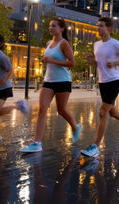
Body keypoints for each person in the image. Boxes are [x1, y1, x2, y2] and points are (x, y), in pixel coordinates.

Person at [22, 19, 80, 152]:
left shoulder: (64, 44)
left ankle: (75, 127)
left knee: (62, 110)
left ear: (62, 29)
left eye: (54, 26)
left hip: (63, 81)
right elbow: (49, 60)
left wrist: (52, 60)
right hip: (48, 81)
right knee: (42, 109)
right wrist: (45, 61)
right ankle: (37, 143)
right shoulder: (49, 43)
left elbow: (72, 63)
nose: (51, 28)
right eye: (50, 26)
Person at [81, 17, 119, 157]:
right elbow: (99, 64)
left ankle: (95, 147)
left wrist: (115, 64)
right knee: (111, 112)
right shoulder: (96, 44)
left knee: (102, 112)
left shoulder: (116, 44)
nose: (98, 28)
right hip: (102, 82)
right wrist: (91, 61)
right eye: (97, 26)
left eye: (101, 26)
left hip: (114, 81)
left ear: (109, 28)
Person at [0, 34, 28, 143]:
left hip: (4, 87)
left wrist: (4, 79)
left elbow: (10, 70)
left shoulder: (1, 56)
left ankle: (17, 105)